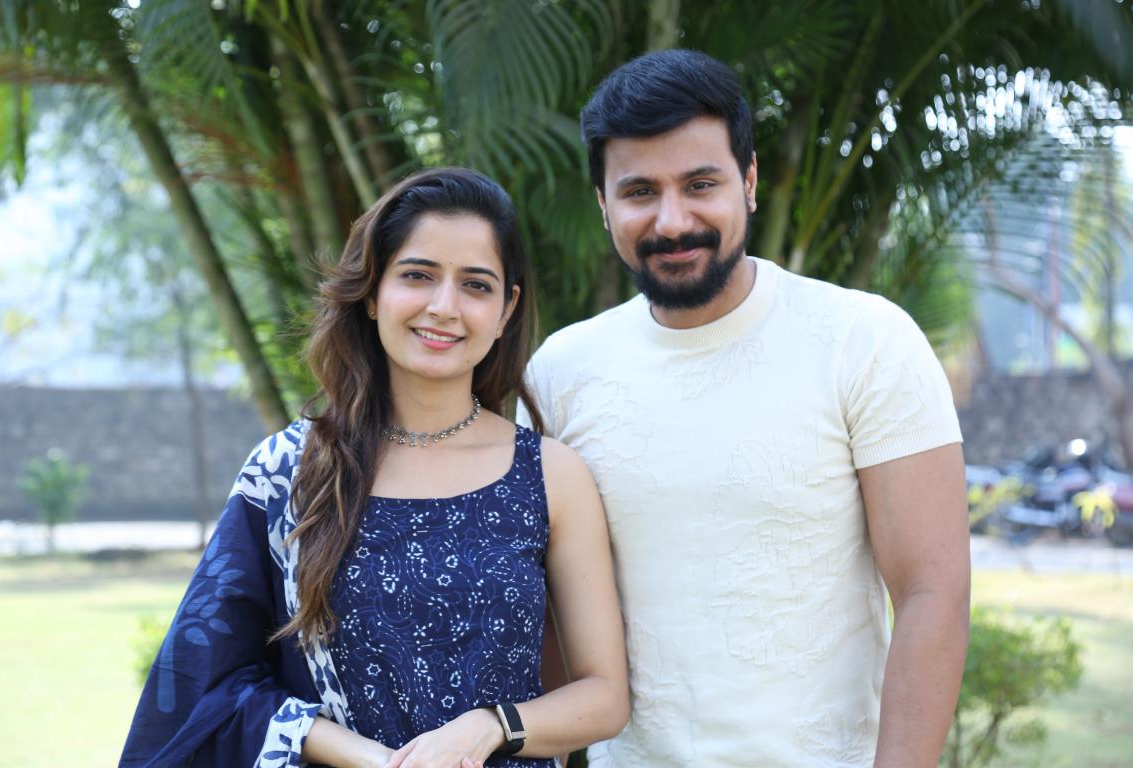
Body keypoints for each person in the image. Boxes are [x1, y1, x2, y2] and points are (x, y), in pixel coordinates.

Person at [520, 50, 970, 767]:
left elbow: (931, 591)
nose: (673, 220)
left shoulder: (863, 341)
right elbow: (542, 611)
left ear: (749, 182)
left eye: (701, 184)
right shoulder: (558, 374)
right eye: (639, 191)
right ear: (602, 204)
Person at [121, 168, 629, 768]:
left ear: (506, 309)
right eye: (417, 275)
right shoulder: (288, 473)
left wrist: (488, 728)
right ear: (372, 292)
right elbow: (210, 688)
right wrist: (375, 760)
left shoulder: (550, 475)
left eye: (476, 285)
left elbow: (603, 695)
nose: (444, 307)